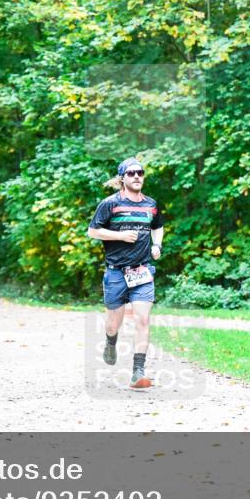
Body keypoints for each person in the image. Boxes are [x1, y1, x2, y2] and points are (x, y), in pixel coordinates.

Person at [87, 157, 164, 389]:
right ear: (123, 178)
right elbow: (93, 231)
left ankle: (138, 372)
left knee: (142, 319)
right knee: (114, 323)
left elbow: (157, 226)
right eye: (131, 173)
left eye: (140, 172)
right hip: (116, 273)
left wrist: (157, 245)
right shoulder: (110, 204)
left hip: (141, 271)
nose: (137, 176)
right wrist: (120, 236)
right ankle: (111, 341)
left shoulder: (151, 204)